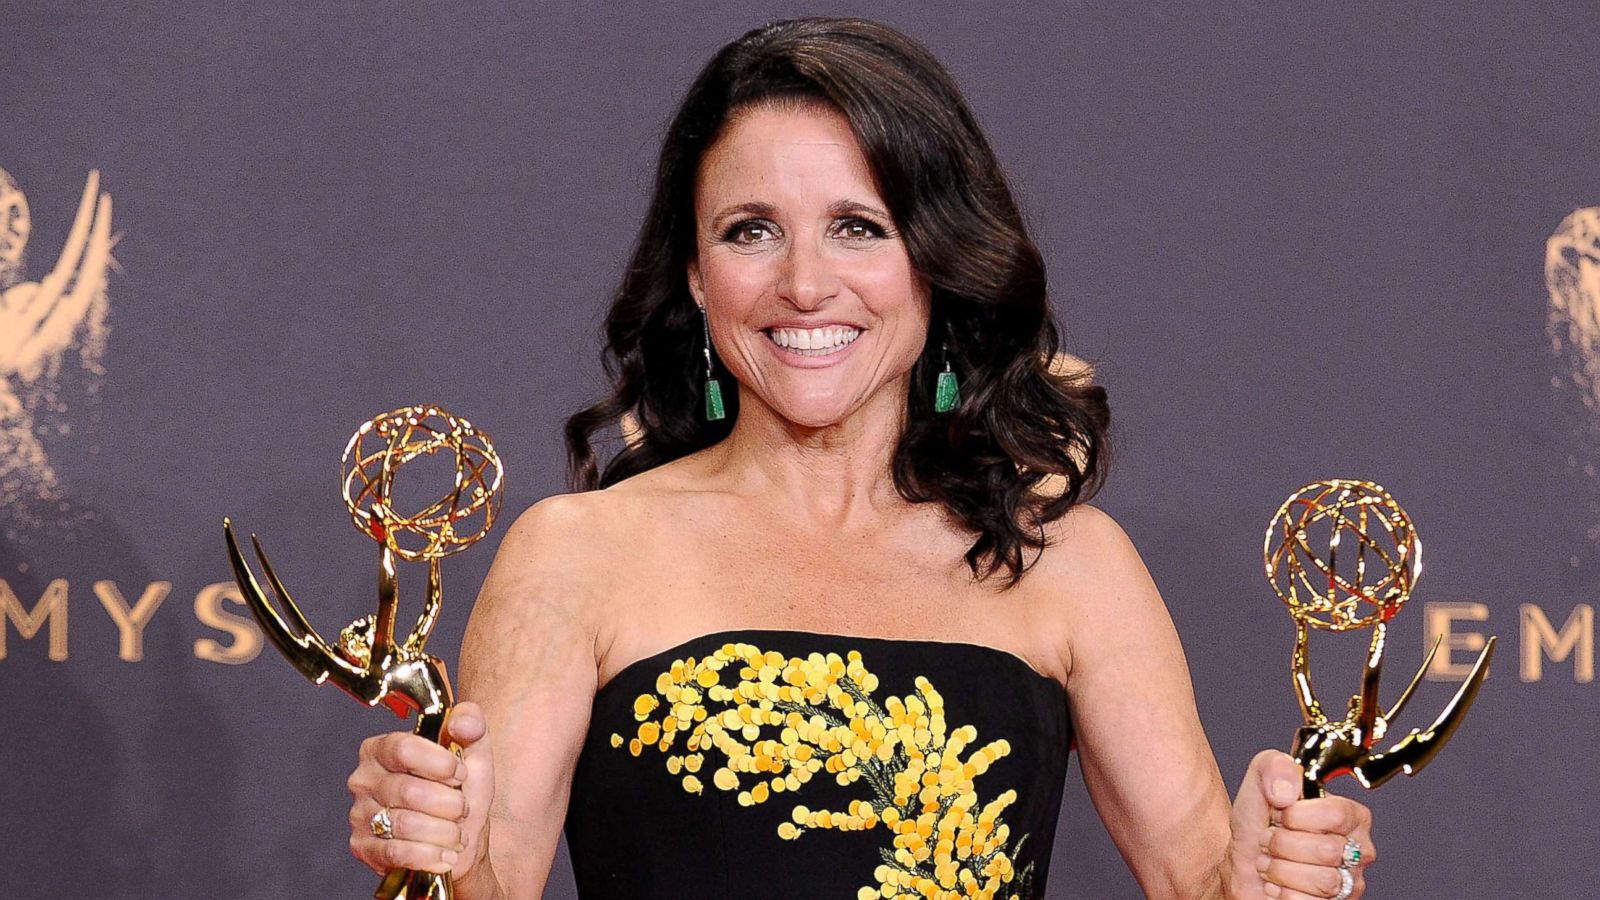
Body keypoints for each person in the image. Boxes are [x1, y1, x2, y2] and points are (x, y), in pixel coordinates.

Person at [343, 16, 1376, 900]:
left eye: (856, 227)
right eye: (751, 231)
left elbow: (1206, 882)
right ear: (697, 276)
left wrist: (1274, 873)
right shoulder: (578, 554)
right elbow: (487, 880)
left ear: (934, 260)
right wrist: (423, 851)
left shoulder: (1069, 566)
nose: (804, 284)